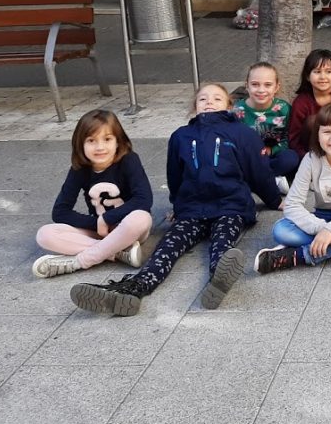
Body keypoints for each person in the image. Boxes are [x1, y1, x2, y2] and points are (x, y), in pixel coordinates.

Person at [70, 83, 281, 317]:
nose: (209, 102)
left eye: (217, 98)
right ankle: (132, 289)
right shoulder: (181, 136)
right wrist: (177, 205)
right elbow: (175, 175)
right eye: (203, 99)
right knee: (166, 248)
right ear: (194, 106)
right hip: (191, 210)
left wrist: (273, 200)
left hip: (230, 207)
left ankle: (218, 281)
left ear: (229, 106)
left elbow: (259, 171)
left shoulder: (242, 133)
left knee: (223, 243)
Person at [254, 102, 331, 273]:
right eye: (327, 132)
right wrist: (324, 229)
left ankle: (298, 256)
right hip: (322, 217)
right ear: (318, 135)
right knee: (281, 230)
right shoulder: (311, 159)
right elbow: (292, 205)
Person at [33, 110, 153, 278]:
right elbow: (60, 211)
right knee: (45, 234)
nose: (100, 147)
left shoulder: (129, 160)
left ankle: (80, 261)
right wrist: (96, 223)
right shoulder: (80, 169)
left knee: (141, 217)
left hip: (129, 230)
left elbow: (144, 199)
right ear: (80, 144)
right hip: (99, 231)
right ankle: (117, 252)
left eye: (107, 139)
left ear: (118, 141)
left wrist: (106, 219)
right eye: (91, 140)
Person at [232, 61, 299, 195]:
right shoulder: (237, 110)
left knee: (291, 158)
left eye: (268, 85)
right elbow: (233, 141)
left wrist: (271, 150)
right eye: (255, 84)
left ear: (276, 87)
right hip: (249, 158)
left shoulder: (283, 109)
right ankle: (271, 181)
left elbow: (287, 138)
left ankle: (255, 182)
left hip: (272, 157)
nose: (261, 90)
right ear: (247, 86)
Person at [289, 49, 331, 158]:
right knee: (313, 121)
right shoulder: (301, 103)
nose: (323, 77)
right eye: (317, 72)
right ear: (307, 76)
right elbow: (294, 139)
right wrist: (307, 158)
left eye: (328, 71)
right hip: (312, 153)